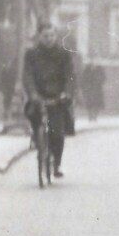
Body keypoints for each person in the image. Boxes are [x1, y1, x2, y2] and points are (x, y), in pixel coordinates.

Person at [22, 23, 77, 176]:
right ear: (40, 36)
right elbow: (27, 75)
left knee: (58, 134)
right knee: (33, 116)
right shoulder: (31, 54)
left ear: (56, 36)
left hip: (57, 98)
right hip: (38, 96)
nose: (49, 39)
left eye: (51, 35)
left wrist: (66, 93)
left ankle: (56, 164)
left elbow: (70, 76)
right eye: (45, 36)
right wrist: (32, 93)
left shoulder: (63, 55)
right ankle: (36, 137)